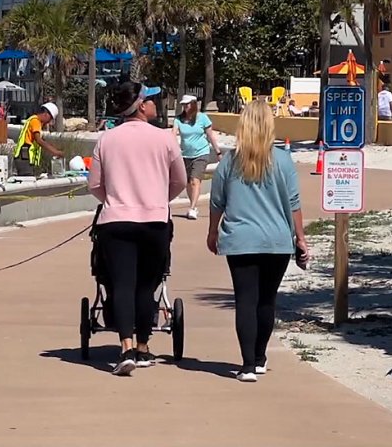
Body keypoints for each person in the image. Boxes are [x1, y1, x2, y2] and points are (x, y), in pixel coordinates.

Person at [206, 99, 309, 382]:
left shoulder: (229, 161)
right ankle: (261, 357)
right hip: (277, 240)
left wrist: (213, 231)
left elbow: (217, 202)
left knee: (245, 301)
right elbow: (294, 204)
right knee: (266, 301)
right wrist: (301, 239)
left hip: (240, 240)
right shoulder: (284, 161)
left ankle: (247, 365)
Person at [88, 82, 187, 376]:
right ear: (141, 106)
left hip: (116, 222)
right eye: (152, 100)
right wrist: (157, 199)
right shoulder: (165, 138)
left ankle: (126, 346)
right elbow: (179, 180)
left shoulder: (106, 140)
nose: (156, 104)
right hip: (154, 221)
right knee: (147, 285)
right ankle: (144, 346)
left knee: (121, 285)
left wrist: (117, 200)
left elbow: (95, 184)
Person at [171, 94, 222, 220]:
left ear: (193, 104)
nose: (185, 107)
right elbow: (173, 135)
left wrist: (218, 152)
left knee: (195, 180)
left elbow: (210, 135)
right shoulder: (178, 119)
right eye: (183, 105)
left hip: (201, 153)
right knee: (187, 182)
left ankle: (192, 208)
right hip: (185, 154)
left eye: (187, 105)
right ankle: (192, 204)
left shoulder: (203, 118)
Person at [13, 103, 64, 176]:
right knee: (27, 181)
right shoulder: (35, 121)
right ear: (46, 114)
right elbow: (39, 140)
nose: (48, 122)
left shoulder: (33, 120)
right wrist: (55, 152)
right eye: (50, 119)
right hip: (24, 158)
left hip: (24, 157)